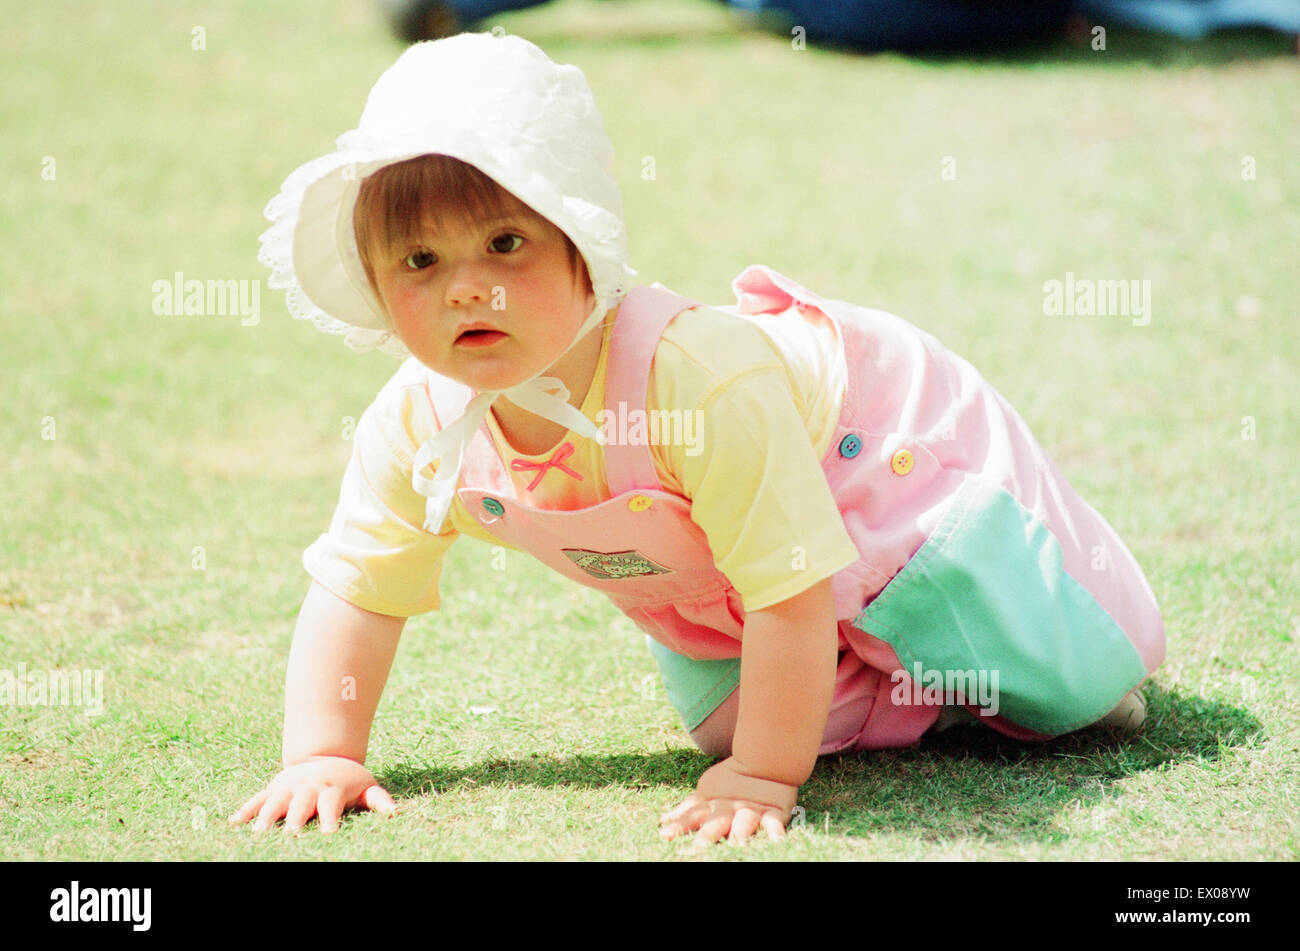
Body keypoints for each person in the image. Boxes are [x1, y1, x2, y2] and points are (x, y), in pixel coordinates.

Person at [231, 33, 1164, 845]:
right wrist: (323, 750)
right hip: (718, 569)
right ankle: (912, 698)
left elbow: (791, 585)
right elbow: (358, 586)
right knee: (735, 720)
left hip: (882, 469)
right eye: (421, 261)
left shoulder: (695, 381)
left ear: (582, 245)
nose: (467, 288)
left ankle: (995, 662)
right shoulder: (417, 423)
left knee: (1063, 689)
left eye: (506, 244)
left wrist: (764, 776)